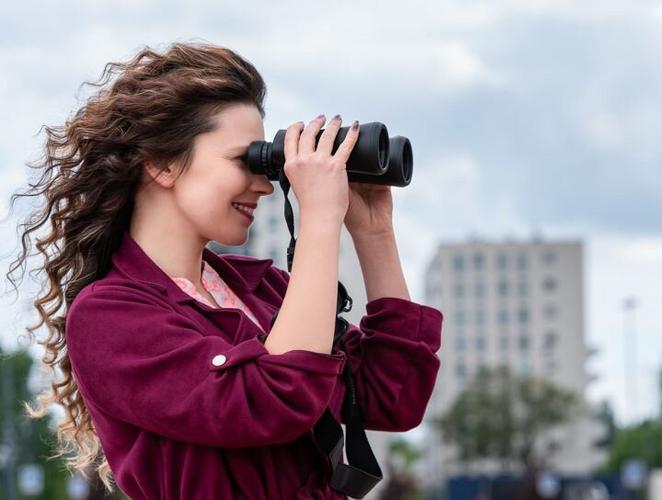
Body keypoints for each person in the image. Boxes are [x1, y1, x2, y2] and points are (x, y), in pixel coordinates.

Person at [6, 41, 442, 499]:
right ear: (162, 163)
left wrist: (375, 233)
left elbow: (396, 396)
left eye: (264, 163)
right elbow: (274, 401)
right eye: (245, 160)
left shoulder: (265, 291)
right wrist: (318, 219)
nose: (264, 185)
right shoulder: (109, 316)